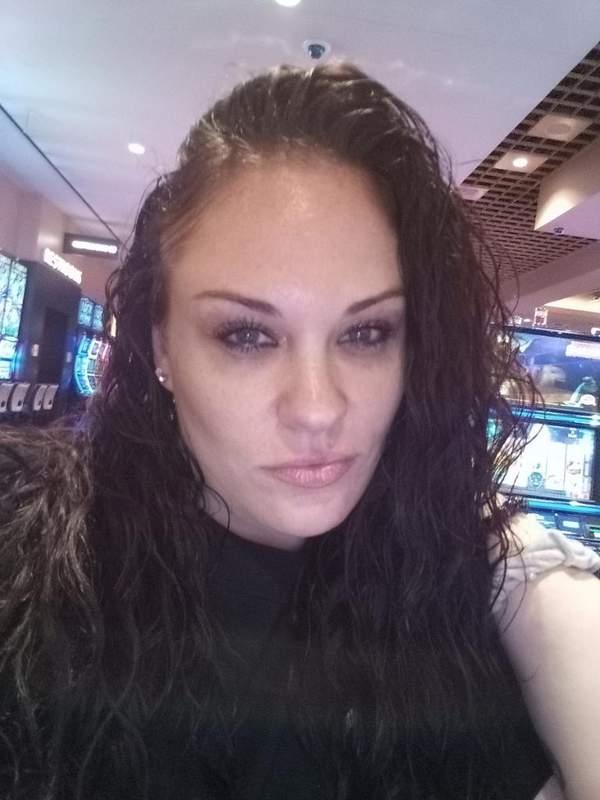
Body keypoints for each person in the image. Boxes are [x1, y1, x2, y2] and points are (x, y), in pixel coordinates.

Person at [0, 63, 599, 800]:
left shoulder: (453, 588)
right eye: (247, 335)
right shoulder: (31, 582)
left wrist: (543, 593)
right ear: (160, 346)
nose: (317, 408)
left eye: (367, 333)